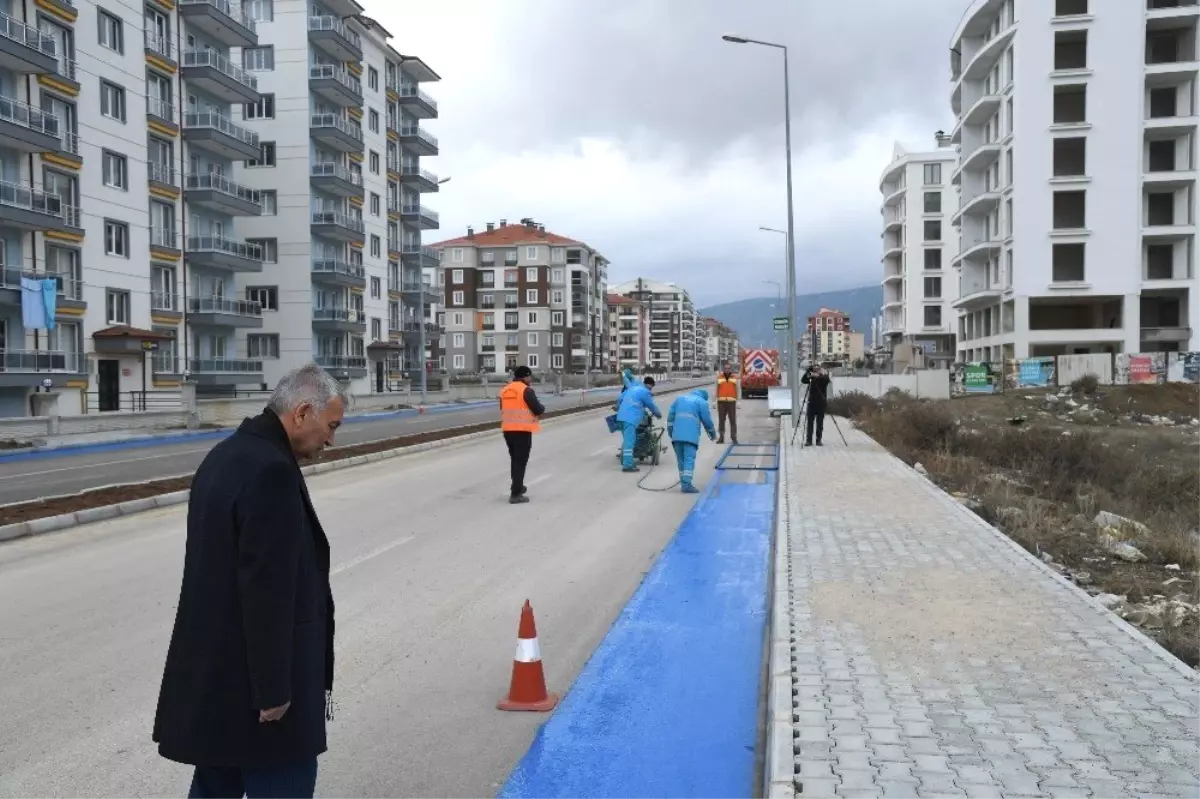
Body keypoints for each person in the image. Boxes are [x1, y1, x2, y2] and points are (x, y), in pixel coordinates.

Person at [153, 364, 347, 799]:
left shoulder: (225, 456)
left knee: (215, 783)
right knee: (281, 783)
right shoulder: (270, 472)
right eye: (330, 426)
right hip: (260, 694)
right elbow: (267, 592)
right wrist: (275, 690)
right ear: (301, 413)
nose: (331, 439)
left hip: (218, 681)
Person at [499, 365, 546, 504]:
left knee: (515, 460)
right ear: (526, 377)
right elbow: (538, 409)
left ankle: (517, 486)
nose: (531, 379)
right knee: (520, 462)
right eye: (530, 377)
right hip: (522, 430)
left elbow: (503, 408)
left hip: (508, 430)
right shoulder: (526, 390)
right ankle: (516, 494)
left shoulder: (505, 390)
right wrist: (542, 408)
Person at [667, 388, 717, 493]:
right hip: (690, 436)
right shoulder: (701, 402)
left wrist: (671, 432)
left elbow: (670, 418)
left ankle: (683, 482)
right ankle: (687, 485)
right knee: (689, 459)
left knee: (681, 460)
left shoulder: (679, 399)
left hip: (677, 437)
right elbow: (707, 421)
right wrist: (712, 434)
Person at [616, 375, 662, 472]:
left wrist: (620, 408)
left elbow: (619, 399)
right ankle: (627, 465)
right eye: (650, 387)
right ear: (646, 385)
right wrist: (658, 414)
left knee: (630, 440)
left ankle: (628, 461)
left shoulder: (632, 388)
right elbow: (651, 406)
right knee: (629, 442)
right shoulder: (645, 392)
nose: (649, 390)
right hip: (630, 419)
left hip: (620, 418)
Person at [801, 364, 832, 447]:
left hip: (821, 403)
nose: (816, 370)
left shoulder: (824, 378)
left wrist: (820, 375)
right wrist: (808, 371)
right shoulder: (811, 378)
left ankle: (819, 440)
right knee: (810, 422)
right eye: (814, 369)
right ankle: (809, 440)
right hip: (811, 402)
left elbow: (827, 380)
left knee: (819, 422)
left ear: (820, 370)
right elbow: (803, 380)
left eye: (817, 369)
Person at [715, 362, 739, 444]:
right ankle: (721, 438)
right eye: (726, 368)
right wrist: (714, 401)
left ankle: (734, 438)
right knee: (721, 420)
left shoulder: (734, 378)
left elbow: (737, 389)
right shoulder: (719, 378)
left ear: (731, 369)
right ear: (723, 369)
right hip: (721, 402)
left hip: (731, 402)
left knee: (732, 420)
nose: (727, 370)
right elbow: (716, 389)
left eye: (729, 368)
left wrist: (738, 401)